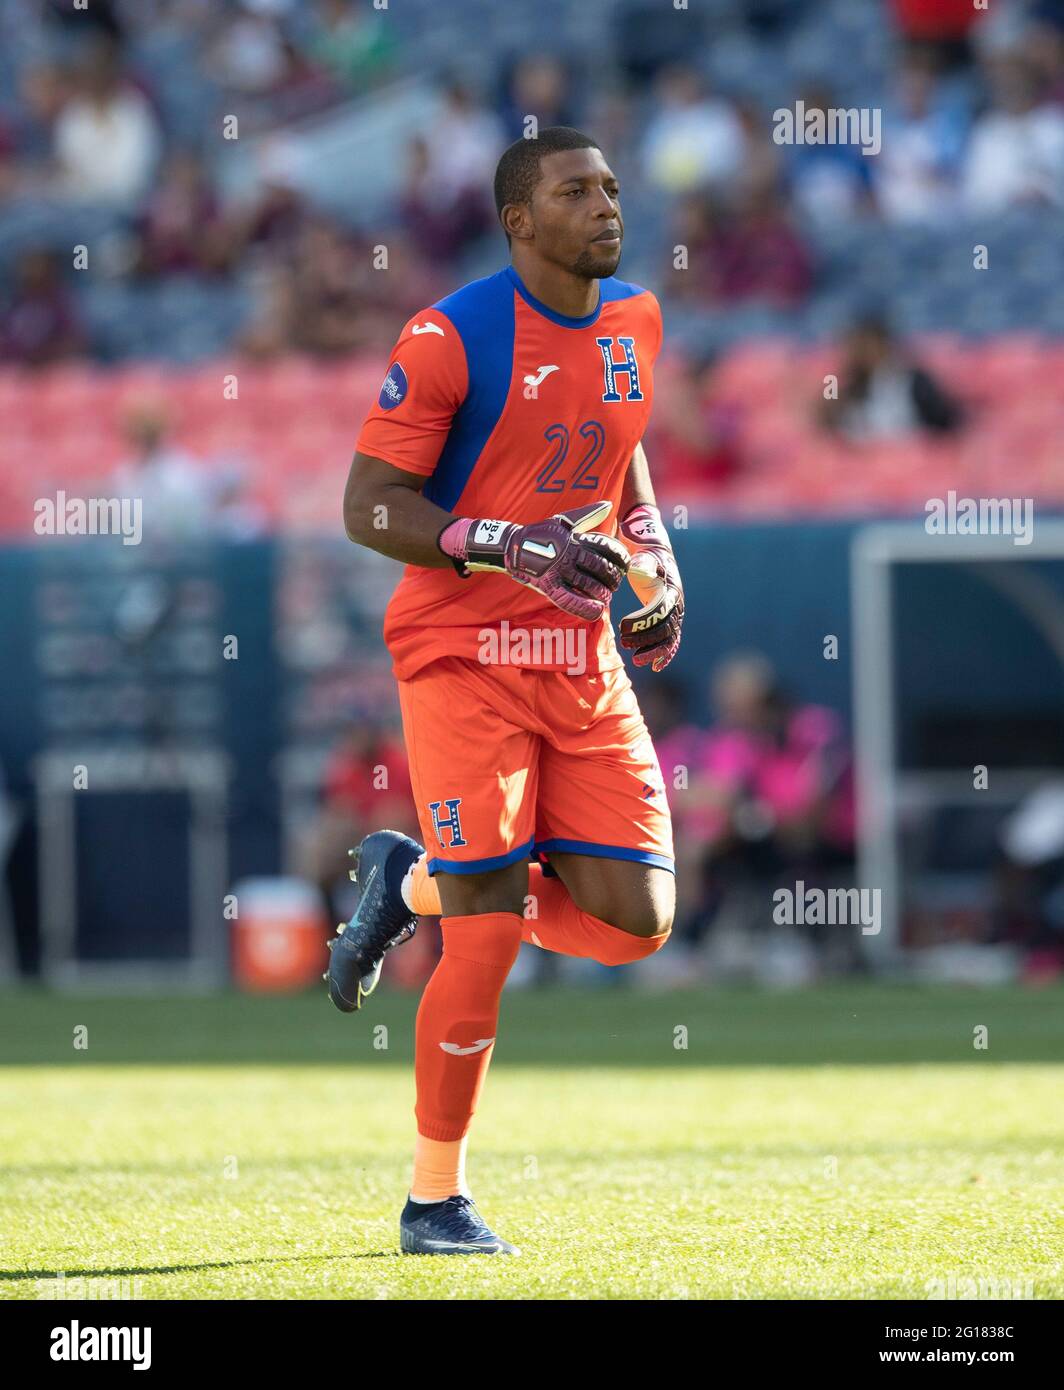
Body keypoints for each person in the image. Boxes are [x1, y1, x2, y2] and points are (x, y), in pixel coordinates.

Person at [333, 126, 684, 1255]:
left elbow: (617, 447)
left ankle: (419, 882)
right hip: (460, 652)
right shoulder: (450, 335)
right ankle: (435, 1198)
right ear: (519, 220)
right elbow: (368, 502)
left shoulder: (634, 316)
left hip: (579, 656)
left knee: (637, 923)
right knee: (485, 936)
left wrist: (652, 548)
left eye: (611, 187)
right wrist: (497, 543)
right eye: (576, 190)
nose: (605, 203)